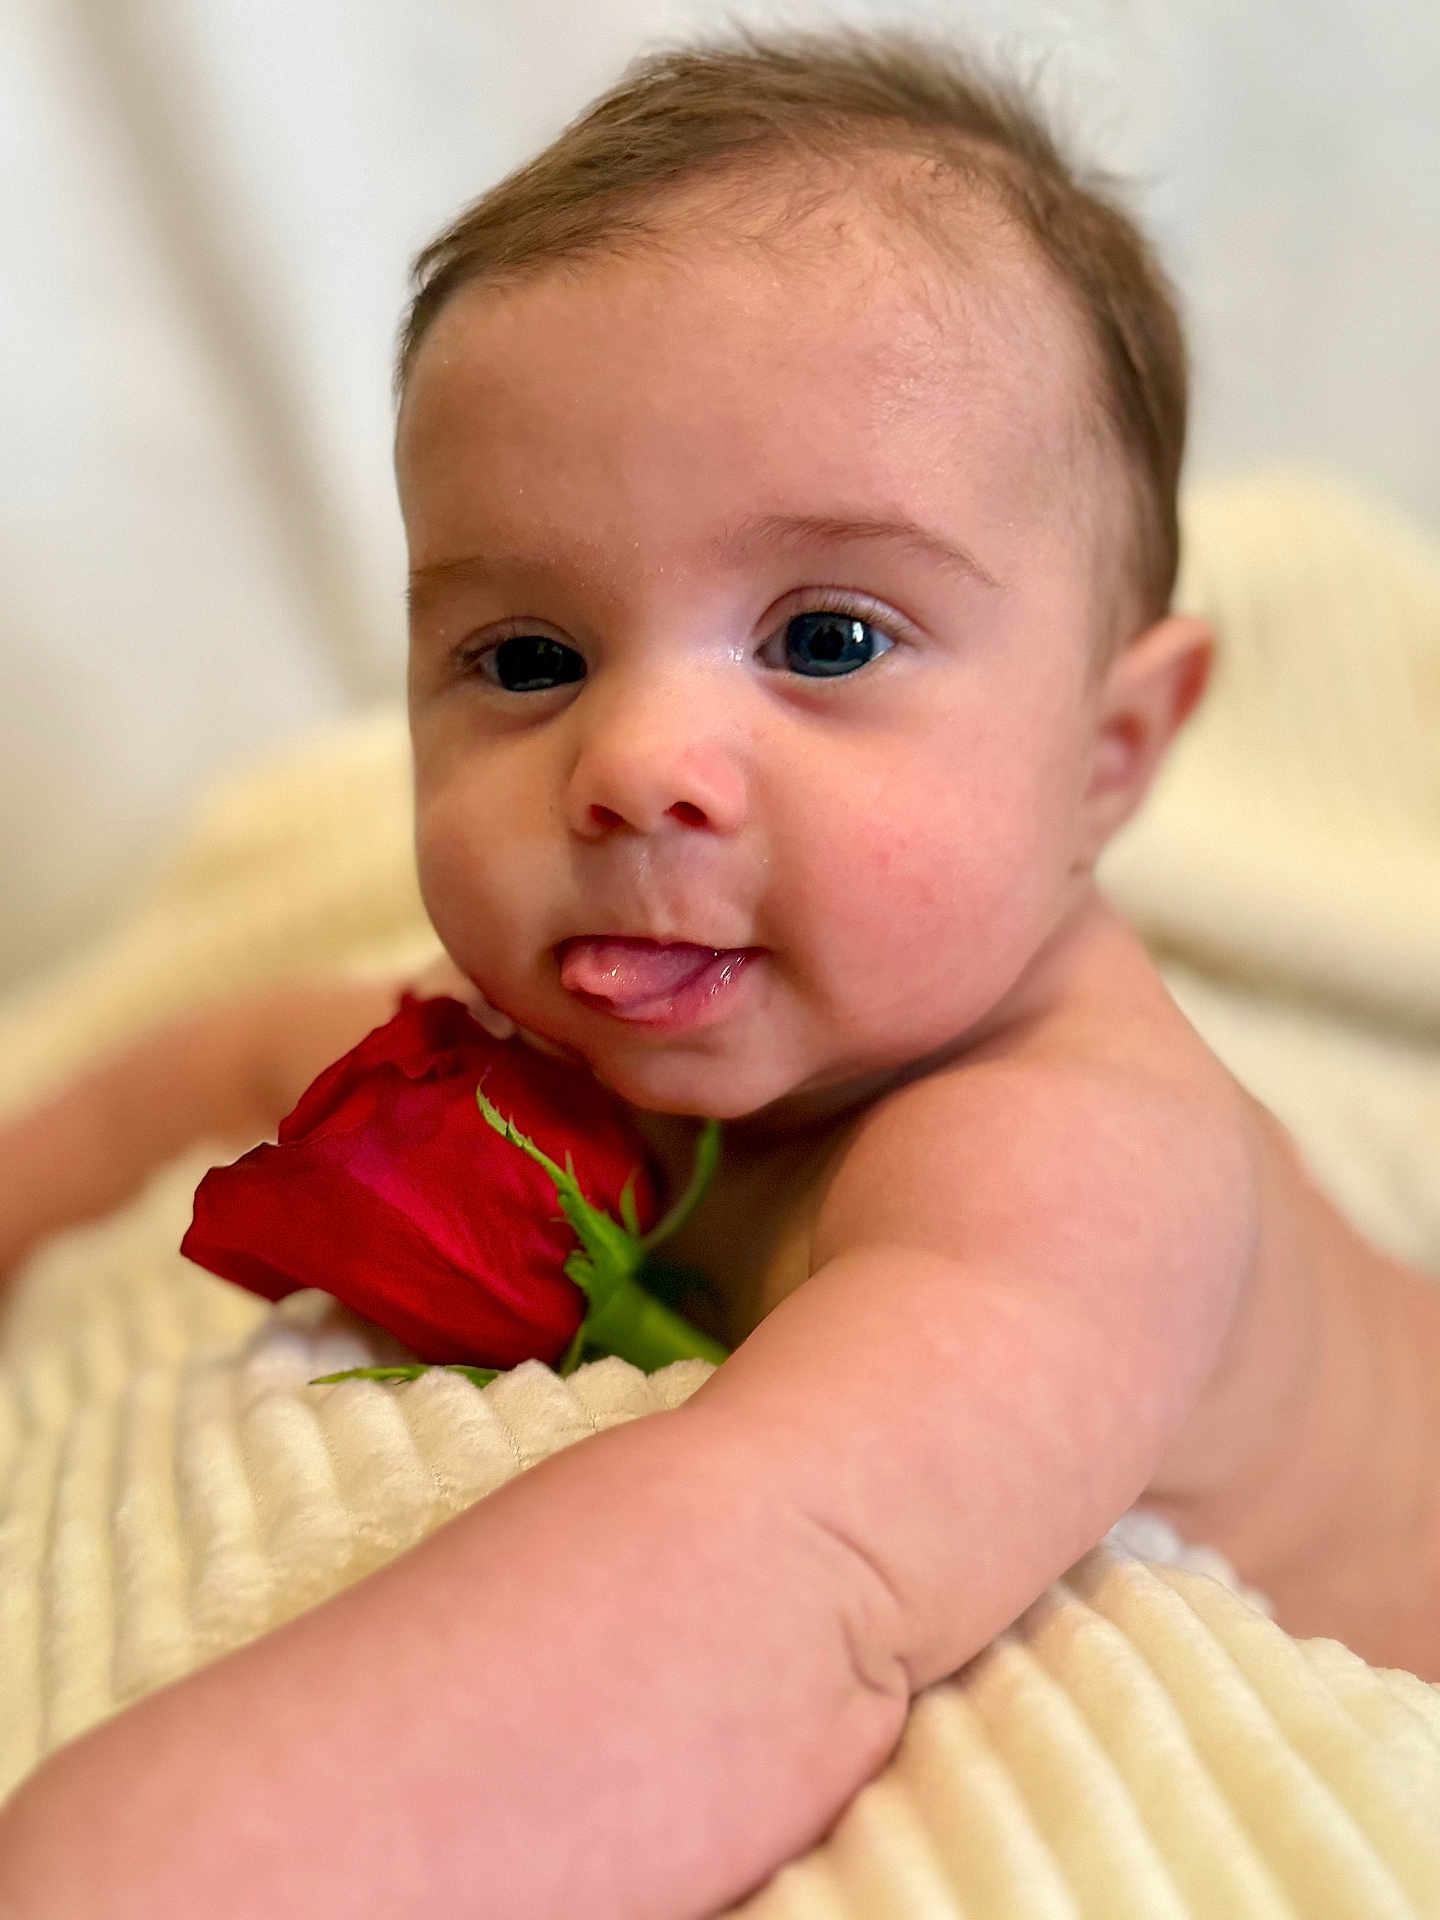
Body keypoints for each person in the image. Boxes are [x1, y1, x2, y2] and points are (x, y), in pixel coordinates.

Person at [2, 30, 1438, 1919]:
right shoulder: (630, 1009)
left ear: (1108, 756)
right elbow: (216, 1067)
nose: (628, 764)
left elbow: (768, 1595)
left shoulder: (1071, 1163)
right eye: (526, 657)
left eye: (827, 636)